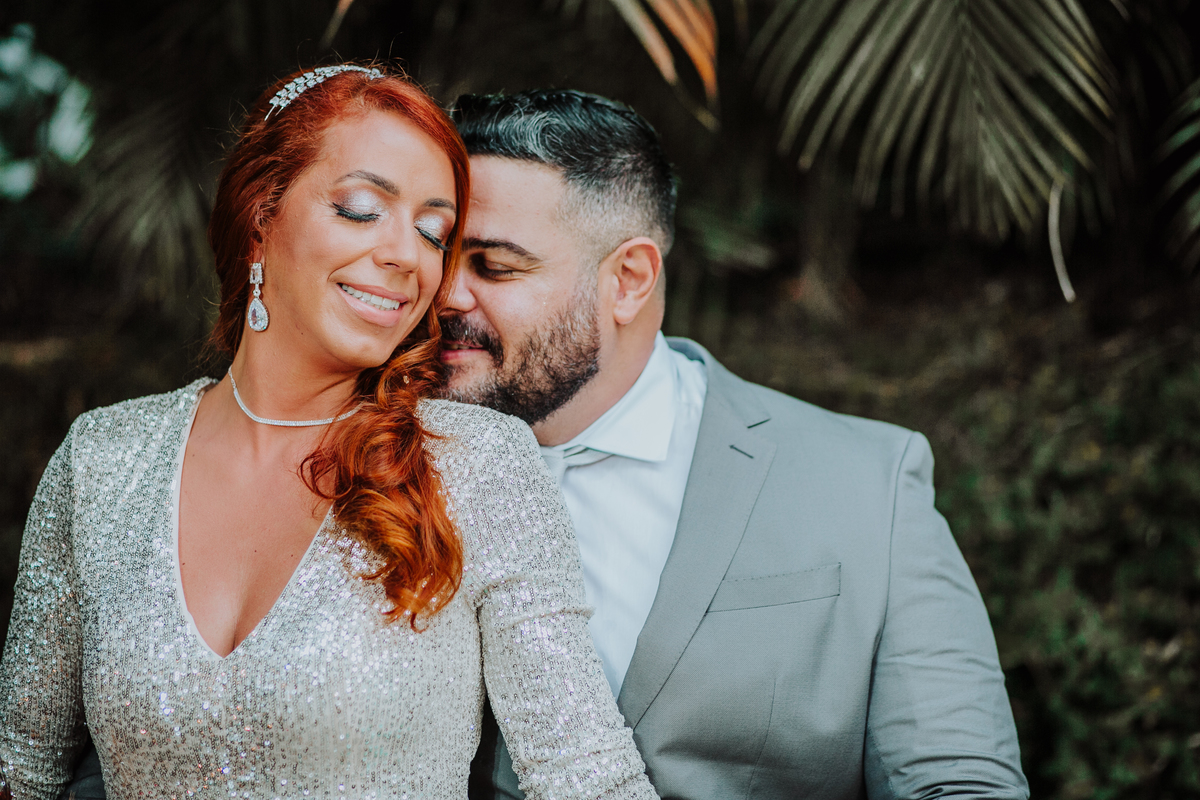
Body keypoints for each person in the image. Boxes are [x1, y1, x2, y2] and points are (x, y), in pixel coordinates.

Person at [0, 67, 660, 800]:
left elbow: (584, 775)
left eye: (432, 231)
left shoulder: (476, 466)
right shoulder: (101, 463)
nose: (408, 256)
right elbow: (20, 769)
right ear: (259, 220)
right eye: (358, 209)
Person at [444, 90, 1031, 800]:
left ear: (628, 280)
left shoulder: (868, 485)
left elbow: (959, 785)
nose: (445, 295)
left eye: (494, 265)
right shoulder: (359, 462)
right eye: (439, 252)